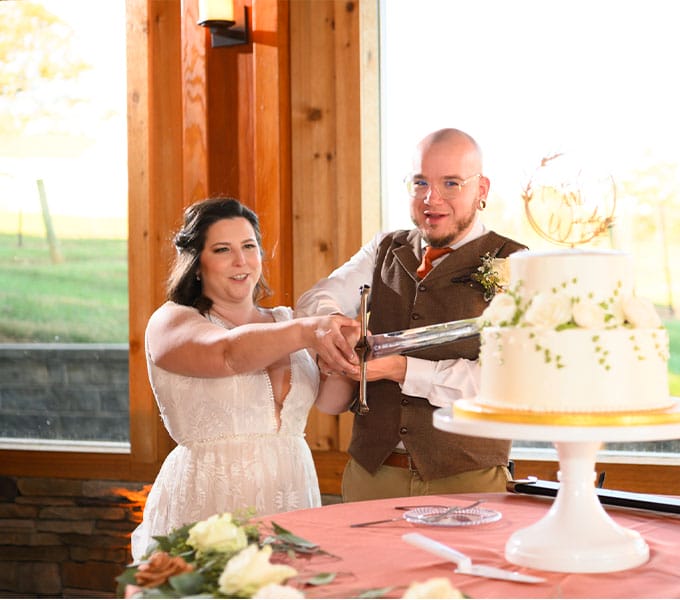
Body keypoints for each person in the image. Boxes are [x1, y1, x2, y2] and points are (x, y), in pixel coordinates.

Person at [296, 128, 528, 502]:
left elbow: (507, 384)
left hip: (467, 479)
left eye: (450, 183)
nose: (431, 199)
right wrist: (333, 328)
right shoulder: (384, 247)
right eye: (420, 182)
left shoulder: (516, 263)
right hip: (371, 476)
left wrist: (402, 369)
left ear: (482, 189)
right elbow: (316, 298)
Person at [131, 197, 360, 561]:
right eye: (223, 249)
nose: (241, 261)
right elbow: (227, 354)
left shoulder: (286, 319)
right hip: (209, 498)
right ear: (197, 264)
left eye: (249, 246)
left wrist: (346, 355)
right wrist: (308, 330)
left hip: (292, 489)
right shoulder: (172, 321)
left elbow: (331, 402)